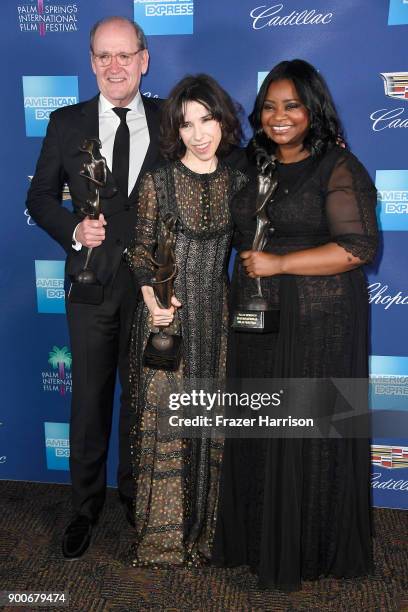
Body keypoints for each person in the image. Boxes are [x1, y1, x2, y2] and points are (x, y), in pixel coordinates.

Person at [213, 59, 378, 591]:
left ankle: (312, 545)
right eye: (269, 106)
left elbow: (358, 248)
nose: (279, 116)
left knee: (311, 433)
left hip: (319, 323)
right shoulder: (251, 165)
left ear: (313, 110)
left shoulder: (338, 167)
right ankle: (263, 540)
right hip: (258, 320)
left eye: (292, 106)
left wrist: (280, 264)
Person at [26, 16, 163, 559]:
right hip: (90, 285)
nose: (114, 66)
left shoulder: (172, 122)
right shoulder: (66, 123)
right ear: (91, 63)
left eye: (124, 55)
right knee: (88, 401)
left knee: (143, 400)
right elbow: (38, 198)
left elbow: (215, 166)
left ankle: (136, 498)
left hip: (155, 288)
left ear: (144, 59)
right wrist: (74, 230)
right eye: (103, 56)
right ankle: (84, 508)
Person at [126, 74, 247, 566]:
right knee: (170, 427)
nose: (199, 134)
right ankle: (164, 541)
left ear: (222, 120)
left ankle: (207, 535)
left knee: (210, 423)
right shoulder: (157, 181)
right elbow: (138, 249)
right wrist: (153, 302)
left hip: (217, 320)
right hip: (168, 321)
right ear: (175, 129)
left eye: (207, 119)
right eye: (187, 123)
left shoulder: (241, 182)